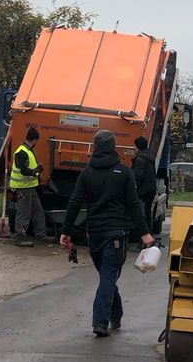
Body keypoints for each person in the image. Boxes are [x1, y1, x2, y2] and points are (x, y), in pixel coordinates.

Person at [60, 129, 154, 337]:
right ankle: (100, 322)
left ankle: (116, 315)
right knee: (108, 276)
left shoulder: (87, 173)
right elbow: (133, 205)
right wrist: (144, 233)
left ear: (94, 148)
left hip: (93, 233)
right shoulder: (124, 172)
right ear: (113, 147)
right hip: (116, 233)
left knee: (107, 275)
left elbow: (75, 202)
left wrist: (66, 230)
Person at [9, 127, 49, 247]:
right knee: (24, 213)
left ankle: (42, 235)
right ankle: (19, 238)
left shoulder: (27, 151)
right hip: (23, 188)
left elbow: (29, 169)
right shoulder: (22, 152)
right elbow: (23, 170)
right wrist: (34, 172)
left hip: (30, 187)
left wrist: (37, 171)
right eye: (37, 141)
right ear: (34, 139)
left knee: (37, 210)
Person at [132, 136, 157, 238]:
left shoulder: (140, 159)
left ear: (137, 146)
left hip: (143, 191)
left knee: (142, 215)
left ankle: (144, 238)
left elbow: (138, 176)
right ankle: (148, 235)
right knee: (147, 212)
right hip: (150, 189)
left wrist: (134, 189)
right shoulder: (149, 157)